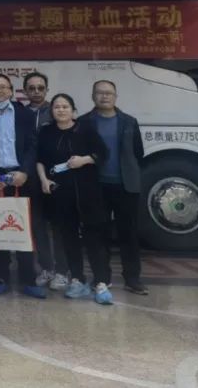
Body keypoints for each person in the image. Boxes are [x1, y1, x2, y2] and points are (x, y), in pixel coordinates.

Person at [37, 93, 113, 306]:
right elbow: (40, 160)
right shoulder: (46, 132)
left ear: (73, 110)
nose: (61, 110)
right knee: (68, 239)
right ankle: (77, 279)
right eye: (57, 107)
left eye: (65, 106)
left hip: (87, 192)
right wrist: (44, 180)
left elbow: (103, 153)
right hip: (61, 193)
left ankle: (101, 282)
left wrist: (84, 160)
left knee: (94, 239)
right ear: (52, 111)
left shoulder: (85, 129)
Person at [0, 73, 45, 298]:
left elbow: (32, 145)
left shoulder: (24, 114)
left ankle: (28, 279)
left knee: (24, 229)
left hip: (21, 178)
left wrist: (24, 171)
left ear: (11, 90)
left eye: (3, 87)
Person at [79, 80, 148, 296]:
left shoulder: (129, 122)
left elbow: (138, 152)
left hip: (125, 186)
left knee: (129, 234)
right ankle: (101, 278)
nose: (105, 96)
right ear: (93, 96)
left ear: (116, 96)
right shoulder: (83, 122)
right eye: (100, 93)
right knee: (97, 234)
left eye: (109, 93)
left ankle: (132, 278)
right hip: (95, 186)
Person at [24, 71, 69, 292]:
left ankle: (62, 270)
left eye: (40, 88)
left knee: (59, 225)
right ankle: (46, 268)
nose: (36, 92)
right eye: (31, 88)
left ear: (47, 89)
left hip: (55, 177)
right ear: (25, 91)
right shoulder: (20, 113)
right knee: (37, 225)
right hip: (29, 177)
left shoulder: (56, 111)